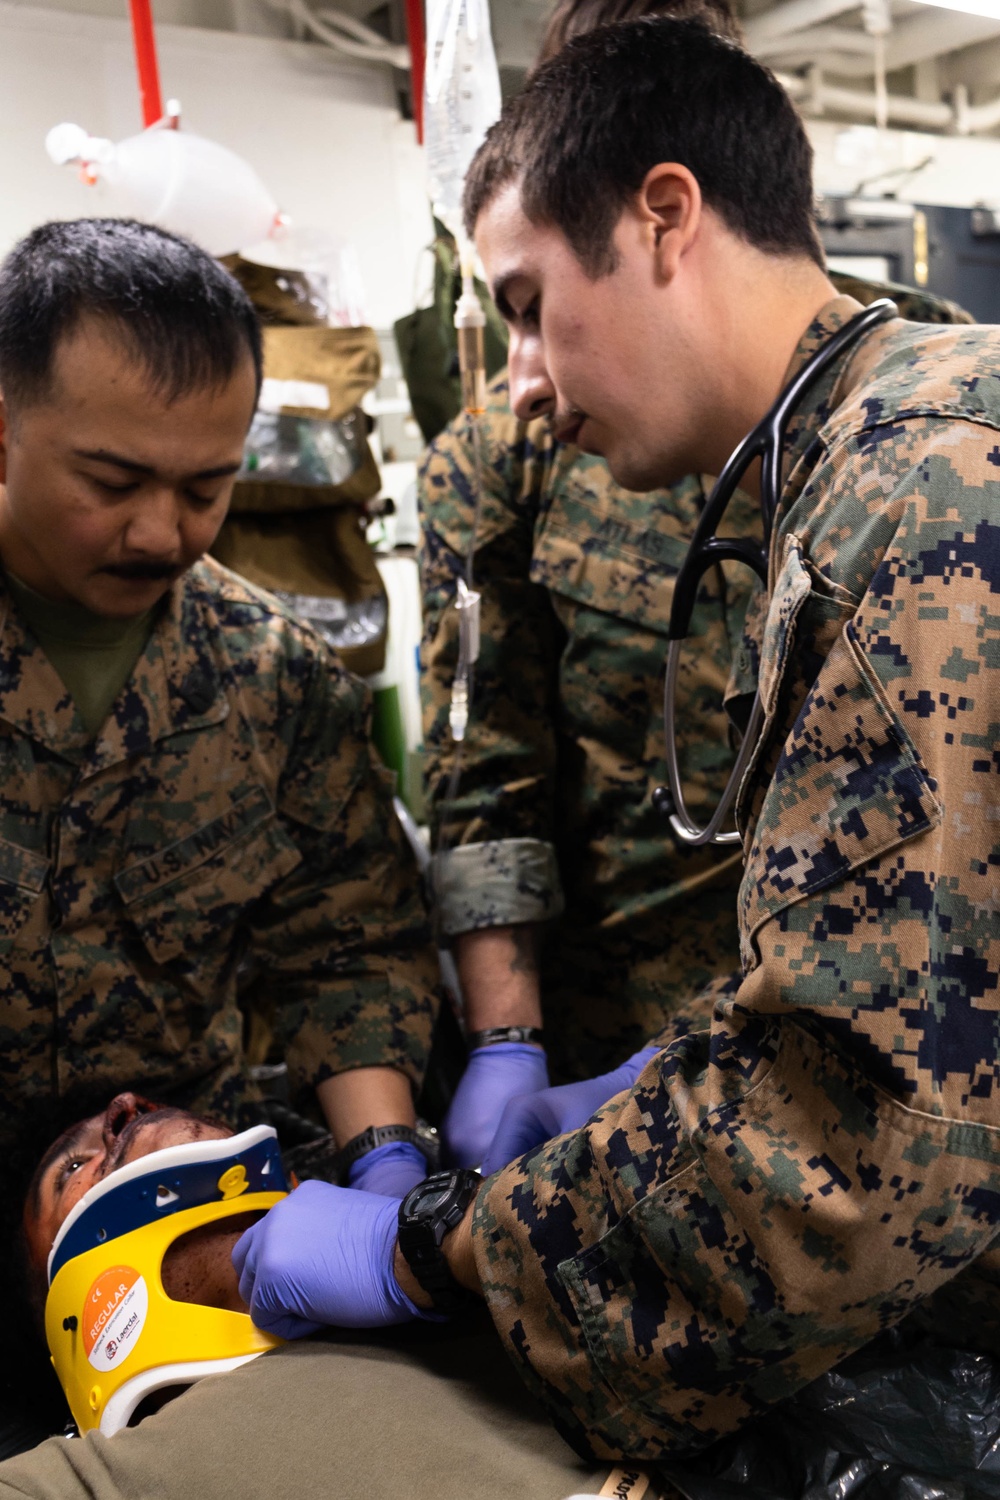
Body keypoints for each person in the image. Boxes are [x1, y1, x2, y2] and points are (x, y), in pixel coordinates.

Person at [421, 0, 973, 1170]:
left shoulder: (913, 457)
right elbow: (487, 771)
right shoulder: (517, 460)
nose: (528, 375)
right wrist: (508, 1041)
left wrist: (428, 1258)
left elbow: (867, 1142)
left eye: (535, 305)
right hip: (672, 1047)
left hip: (833, 1102)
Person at [0, 219, 440, 1452]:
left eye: (208, 485)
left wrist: (385, 1170)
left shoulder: (271, 682)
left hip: (177, 1256)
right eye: (113, 481)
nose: (164, 533)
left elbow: (346, 949)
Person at [7, 1092, 641, 1500]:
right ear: (68, 1329)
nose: (127, 1104)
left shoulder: (493, 1266)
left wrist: (454, 1238)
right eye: (73, 1168)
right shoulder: (107, 1479)